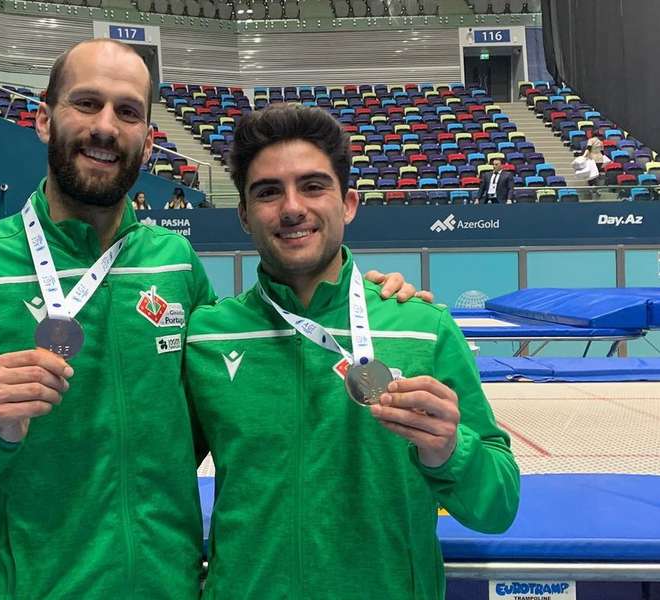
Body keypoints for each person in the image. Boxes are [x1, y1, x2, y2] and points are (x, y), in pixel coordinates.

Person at [0, 40, 421, 598]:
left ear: (149, 139)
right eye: (86, 104)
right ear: (43, 118)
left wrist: (370, 303)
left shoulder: (176, 266)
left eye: (128, 111)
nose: (106, 126)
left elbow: (220, 417)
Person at [183, 105, 520, 599]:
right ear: (243, 215)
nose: (292, 207)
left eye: (313, 186)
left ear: (348, 204)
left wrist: (451, 450)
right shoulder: (209, 337)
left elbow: (499, 507)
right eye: (268, 191)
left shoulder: (422, 327)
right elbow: (153, 475)